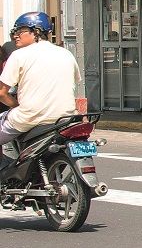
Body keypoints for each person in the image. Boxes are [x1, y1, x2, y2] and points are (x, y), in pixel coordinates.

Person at [0, 12, 81, 174]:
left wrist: (16, 106)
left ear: (36, 32)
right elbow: (73, 85)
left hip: (30, 118)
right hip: (65, 118)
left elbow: (2, 93)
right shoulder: (66, 54)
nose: (16, 35)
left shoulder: (19, 55)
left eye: (20, 31)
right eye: (14, 32)